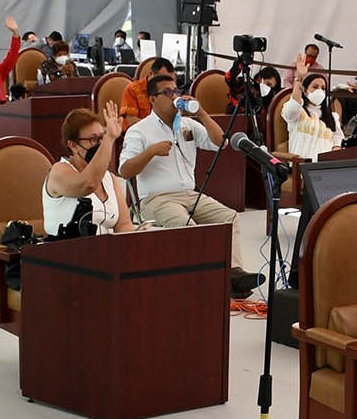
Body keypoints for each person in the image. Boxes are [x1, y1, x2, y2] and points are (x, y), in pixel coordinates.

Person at [119, 69, 261, 297]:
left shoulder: (187, 125)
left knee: (229, 217)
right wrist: (150, 152)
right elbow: (124, 171)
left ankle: (233, 275)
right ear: (152, 99)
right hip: (156, 199)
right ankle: (202, 282)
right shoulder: (139, 131)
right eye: (168, 93)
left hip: (190, 194)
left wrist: (201, 113)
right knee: (188, 227)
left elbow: (221, 143)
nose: (174, 96)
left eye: (176, 91)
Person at [43, 104, 137, 236]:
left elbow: (124, 225)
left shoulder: (109, 178)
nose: (100, 144)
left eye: (102, 137)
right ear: (73, 145)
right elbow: (87, 184)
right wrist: (109, 138)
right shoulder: (58, 171)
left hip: (106, 247)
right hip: (68, 247)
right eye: (94, 139)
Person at [281, 58, 342, 160]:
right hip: (302, 165)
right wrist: (299, 78)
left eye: (323, 88)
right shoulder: (298, 112)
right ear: (305, 90)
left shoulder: (332, 116)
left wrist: (336, 147)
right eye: (315, 87)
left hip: (325, 165)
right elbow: (294, 104)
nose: (320, 91)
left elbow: (337, 137)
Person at [119, 56, 175, 124]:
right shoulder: (133, 90)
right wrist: (155, 126)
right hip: (140, 129)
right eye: (162, 78)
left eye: (169, 79)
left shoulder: (171, 90)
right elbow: (131, 120)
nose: (166, 83)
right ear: (151, 74)